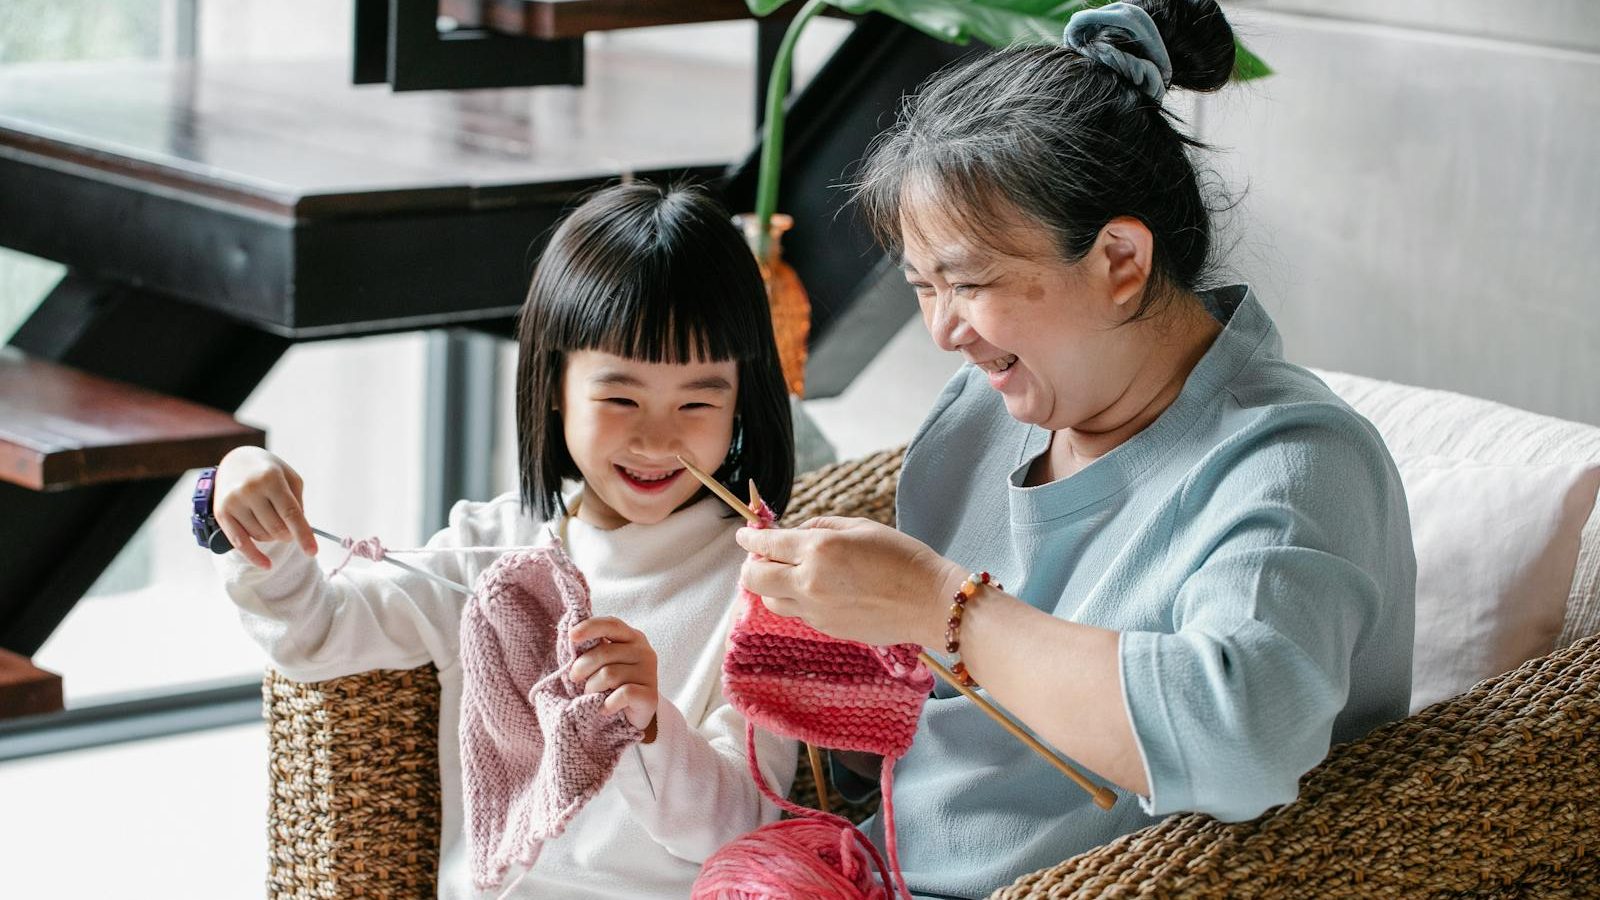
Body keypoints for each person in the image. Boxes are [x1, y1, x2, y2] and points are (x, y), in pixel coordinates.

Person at [734, 2, 1417, 897]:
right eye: (922, 287)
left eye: (970, 283)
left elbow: (1242, 740)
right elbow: (948, 725)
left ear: (1120, 261)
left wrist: (937, 605)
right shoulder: (984, 414)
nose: (943, 331)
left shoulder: (1292, 465)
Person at [210, 182, 798, 899]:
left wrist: (650, 726)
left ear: (741, 402)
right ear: (553, 386)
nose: (657, 438)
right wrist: (249, 505)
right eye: (619, 398)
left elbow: (747, 827)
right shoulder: (494, 548)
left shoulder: (765, 586)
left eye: (698, 403)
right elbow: (317, 633)